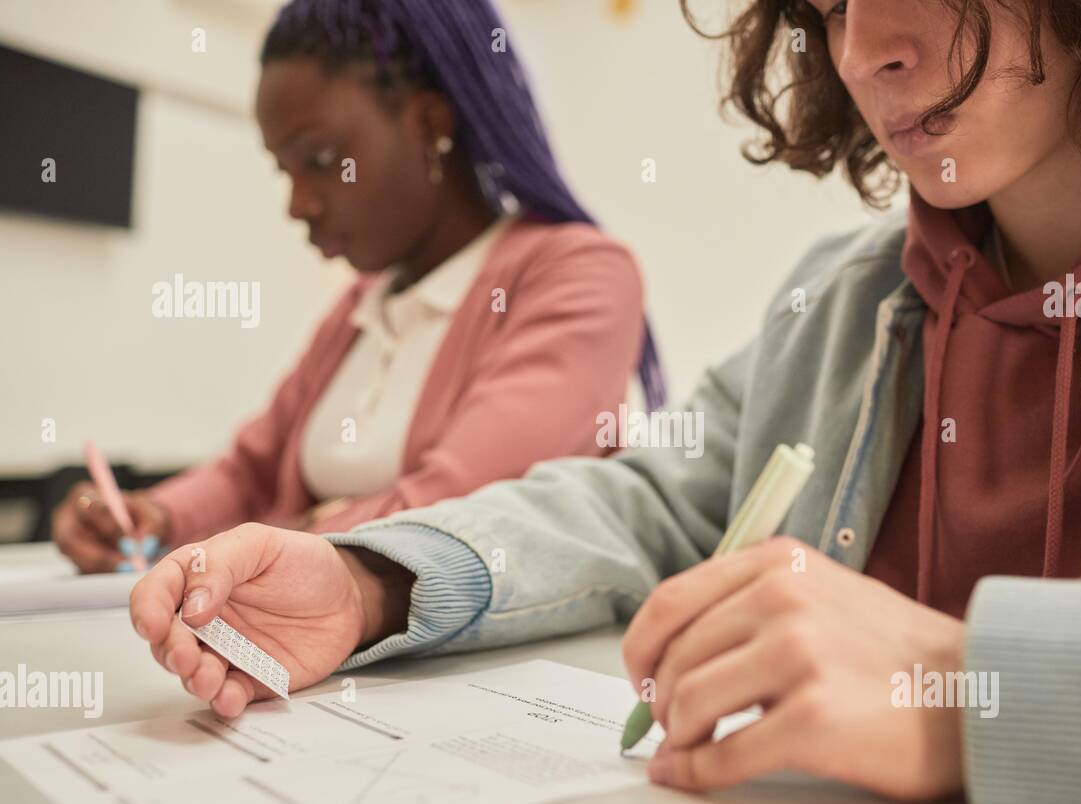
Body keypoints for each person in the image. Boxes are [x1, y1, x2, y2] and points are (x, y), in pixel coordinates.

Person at [130, 0, 1081, 804]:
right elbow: (650, 496)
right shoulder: (842, 297)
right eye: (827, 5)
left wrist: (972, 687)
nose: (866, 48)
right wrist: (372, 579)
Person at [53, 0, 662, 573]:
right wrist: (153, 517)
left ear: (429, 123)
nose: (296, 205)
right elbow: (250, 472)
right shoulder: (363, 304)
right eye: (282, 170)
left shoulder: (579, 274)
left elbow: (457, 507)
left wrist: (262, 546)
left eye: (319, 160)